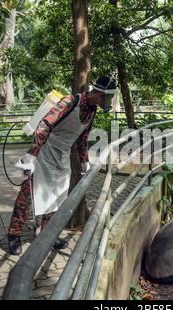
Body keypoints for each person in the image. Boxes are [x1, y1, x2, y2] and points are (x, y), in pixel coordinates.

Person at [7, 76, 118, 255]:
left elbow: (82, 138)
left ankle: (46, 234)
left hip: (62, 155)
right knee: (28, 194)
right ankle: (14, 234)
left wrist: (84, 162)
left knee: (57, 196)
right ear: (98, 93)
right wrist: (32, 155)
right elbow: (44, 126)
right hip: (45, 150)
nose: (107, 102)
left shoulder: (92, 111)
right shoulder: (69, 102)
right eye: (106, 98)